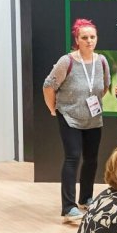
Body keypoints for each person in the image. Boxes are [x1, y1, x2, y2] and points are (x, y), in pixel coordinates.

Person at [42, 19, 111, 222]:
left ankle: (86, 198)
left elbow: (103, 87)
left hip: (93, 117)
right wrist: (53, 109)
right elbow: (48, 85)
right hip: (69, 116)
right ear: (77, 40)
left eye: (92, 37)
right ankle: (68, 208)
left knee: (91, 159)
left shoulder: (102, 61)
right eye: (84, 37)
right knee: (73, 157)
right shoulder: (67, 61)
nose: (89, 41)